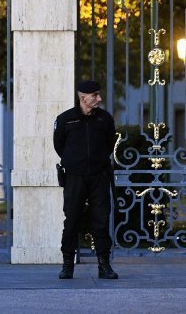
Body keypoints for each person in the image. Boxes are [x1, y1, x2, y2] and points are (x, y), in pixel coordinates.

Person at [53, 79, 118, 280]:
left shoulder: (105, 119)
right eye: (95, 96)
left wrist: (96, 162)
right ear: (83, 98)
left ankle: (104, 265)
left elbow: (109, 144)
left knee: (101, 219)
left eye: (99, 95)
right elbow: (59, 146)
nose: (99, 99)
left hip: (99, 176)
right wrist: (75, 162)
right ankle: (67, 265)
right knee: (71, 219)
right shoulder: (65, 119)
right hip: (74, 177)